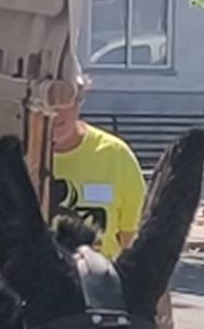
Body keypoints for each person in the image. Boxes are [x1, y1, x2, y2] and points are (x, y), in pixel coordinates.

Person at [39, 76, 147, 256]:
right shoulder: (21, 156)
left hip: (99, 277)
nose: (55, 112)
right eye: (47, 102)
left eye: (64, 101)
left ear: (78, 102)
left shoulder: (115, 154)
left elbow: (130, 237)